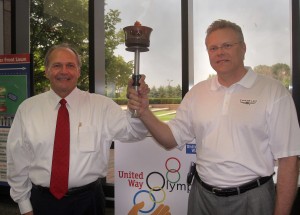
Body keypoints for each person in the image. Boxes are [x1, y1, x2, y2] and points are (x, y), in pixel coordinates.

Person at [127, 19, 300, 215]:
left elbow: (289, 161)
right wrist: (144, 111)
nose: (220, 52)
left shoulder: (273, 93)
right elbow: (169, 139)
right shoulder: (197, 93)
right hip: (202, 197)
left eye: (227, 45)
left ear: (243, 48)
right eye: (213, 48)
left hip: (253, 198)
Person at [6, 43, 149, 215]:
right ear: (47, 71)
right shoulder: (27, 109)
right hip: (42, 202)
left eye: (70, 65)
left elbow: (135, 133)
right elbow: (17, 159)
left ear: (79, 71)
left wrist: (138, 108)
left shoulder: (102, 106)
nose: (64, 71)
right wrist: (24, 205)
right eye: (57, 65)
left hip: (88, 202)